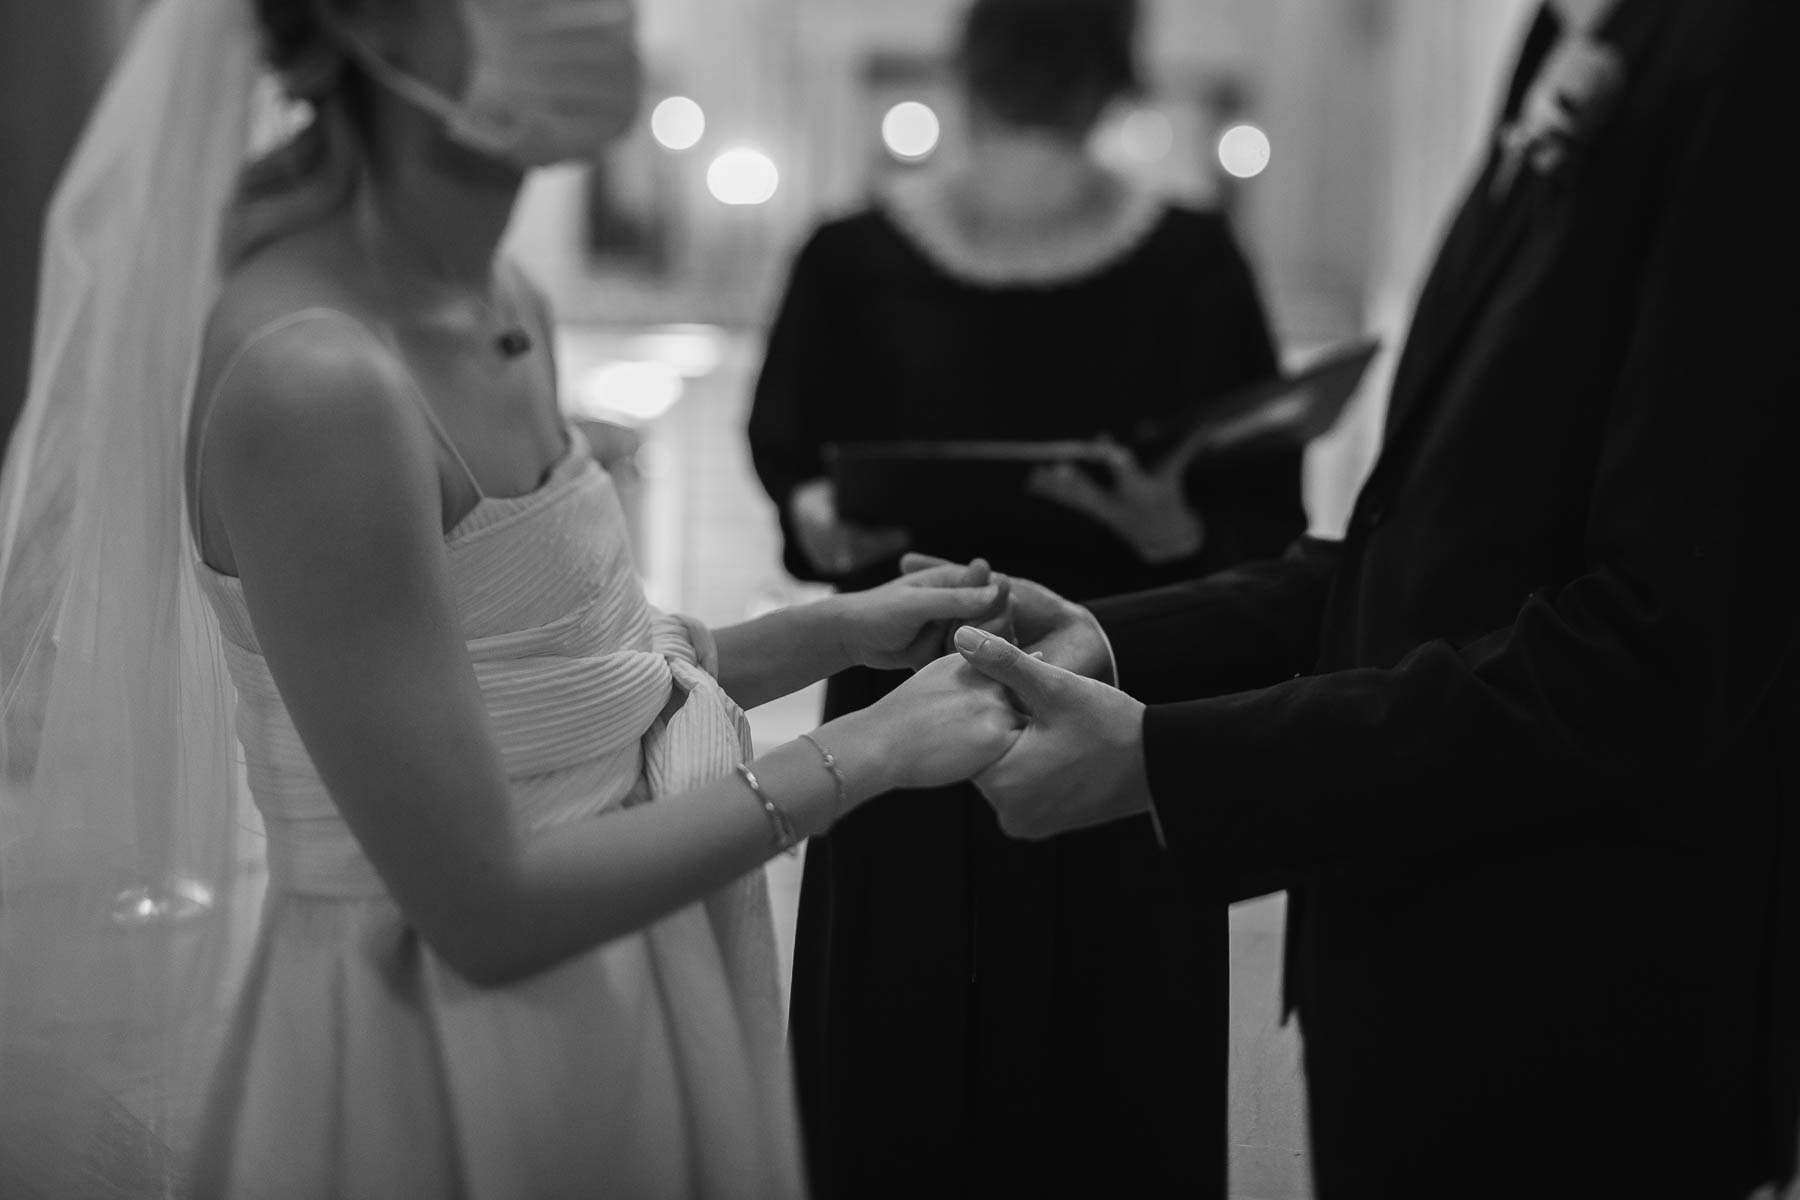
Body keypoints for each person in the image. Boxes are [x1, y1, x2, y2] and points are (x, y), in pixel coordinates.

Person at [0, 1, 1028, 1196]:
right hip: (443, 1040)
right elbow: (481, 910)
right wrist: (866, 754)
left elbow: (564, 689)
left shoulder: (503, 300)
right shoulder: (316, 381)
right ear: (368, 32)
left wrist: (836, 633)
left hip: (638, 973)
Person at [927, 0, 1800, 1194]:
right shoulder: (1576, 43)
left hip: (1580, 1015)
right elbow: (1435, 557)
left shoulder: (1753, 61)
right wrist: (1116, 636)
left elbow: (1660, 652)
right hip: (1411, 970)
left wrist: (1169, 765)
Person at [748, 0, 1302, 1193]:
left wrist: (1177, 526)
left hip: (1111, 690)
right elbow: (791, 462)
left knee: (1079, 1057)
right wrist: (820, 515)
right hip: (922, 692)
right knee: (918, 1057)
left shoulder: (1186, 259)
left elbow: (1263, 521)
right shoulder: (856, 258)